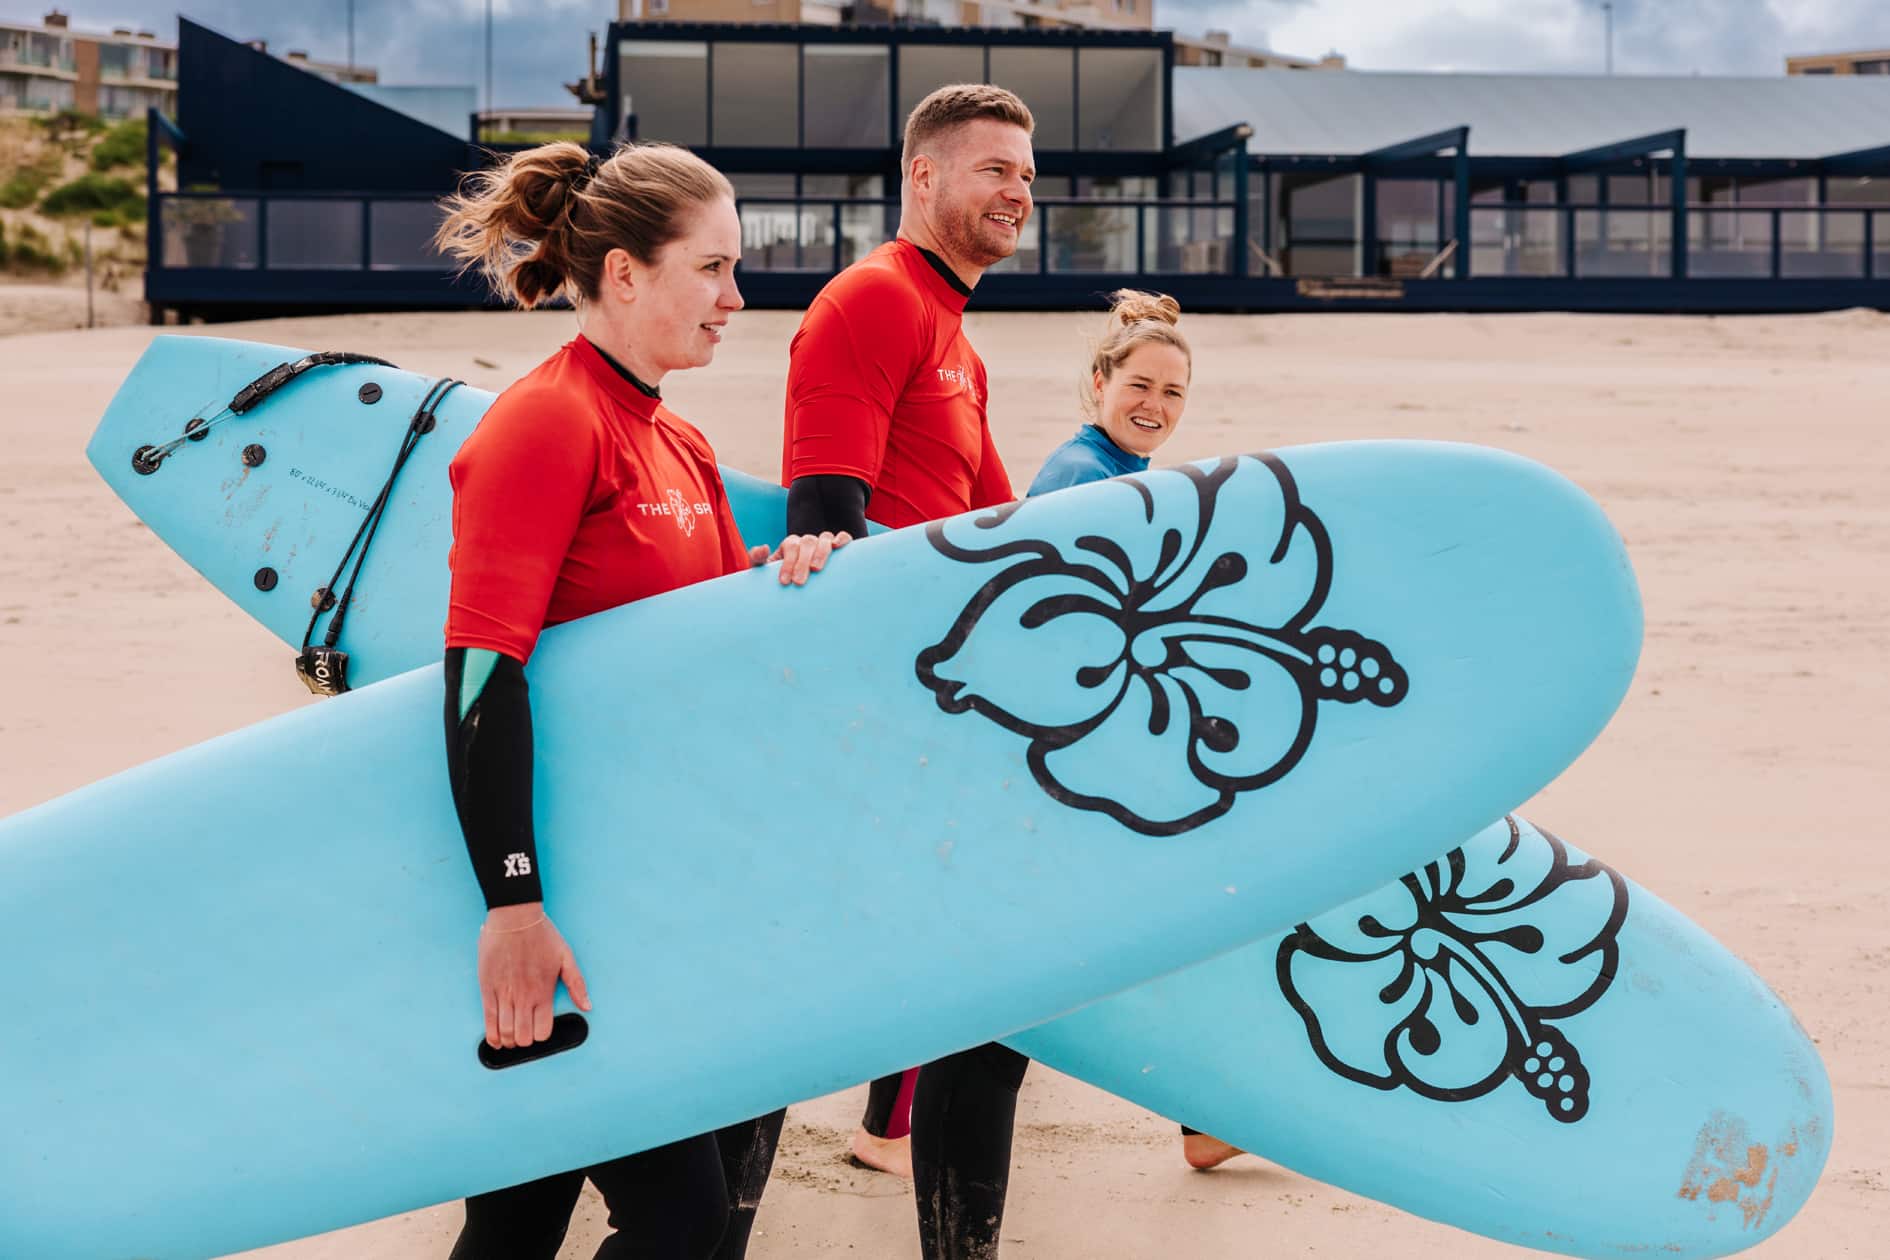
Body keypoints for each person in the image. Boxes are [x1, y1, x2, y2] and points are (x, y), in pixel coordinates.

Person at [433, 139, 848, 1260]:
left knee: (523, 1216)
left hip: (653, 896)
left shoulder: (681, 443)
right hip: (558, 900)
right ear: (624, 274)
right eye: (712, 269)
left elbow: (703, 652)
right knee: (678, 1222)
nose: (735, 298)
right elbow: (480, 672)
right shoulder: (545, 423)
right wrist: (512, 903)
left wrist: (783, 575)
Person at [777, 82, 1034, 1206]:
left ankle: (890, 1129)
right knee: (963, 992)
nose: (1018, 192)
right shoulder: (872, 303)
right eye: (994, 170)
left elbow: (1014, 543)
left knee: (977, 994)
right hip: (897, 705)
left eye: (1026, 174)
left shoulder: (957, 344)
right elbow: (824, 527)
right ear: (922, 176)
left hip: (953, 700)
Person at [1026, 289, 1250, 1175]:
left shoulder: (1113, 472)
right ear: (1099, 382)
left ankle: (1198, 1119)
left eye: (1174, 393)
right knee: (1166, 941)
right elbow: (1064, 625)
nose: (1155, 406)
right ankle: (1199, 1119)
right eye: (1140, 386)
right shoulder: (1084, 479)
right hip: (1078, 768)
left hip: (1090, 759)